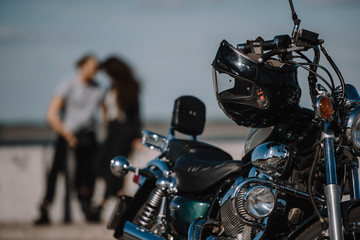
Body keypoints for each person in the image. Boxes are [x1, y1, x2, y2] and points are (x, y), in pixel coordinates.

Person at [34, 54, 106, 225]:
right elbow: (51, 115)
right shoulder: (68, 84)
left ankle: (87, 206)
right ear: (81, 66)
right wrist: (68, 135)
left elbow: (105, 115)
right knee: (56, 172)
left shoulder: (99, 89)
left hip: (88, 134)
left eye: (96, 67)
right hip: (67, 134)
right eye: (91, 66)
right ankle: (45, 207)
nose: (94, 70)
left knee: (88, 173)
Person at [95, 56, 141, 219]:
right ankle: (123, 204)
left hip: (123, 132)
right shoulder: (111, 87)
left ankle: (102, 204)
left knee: (116, 169)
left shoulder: (130, 86)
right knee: (110, 169)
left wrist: (136, 136)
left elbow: (135, 114)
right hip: (111, 131)